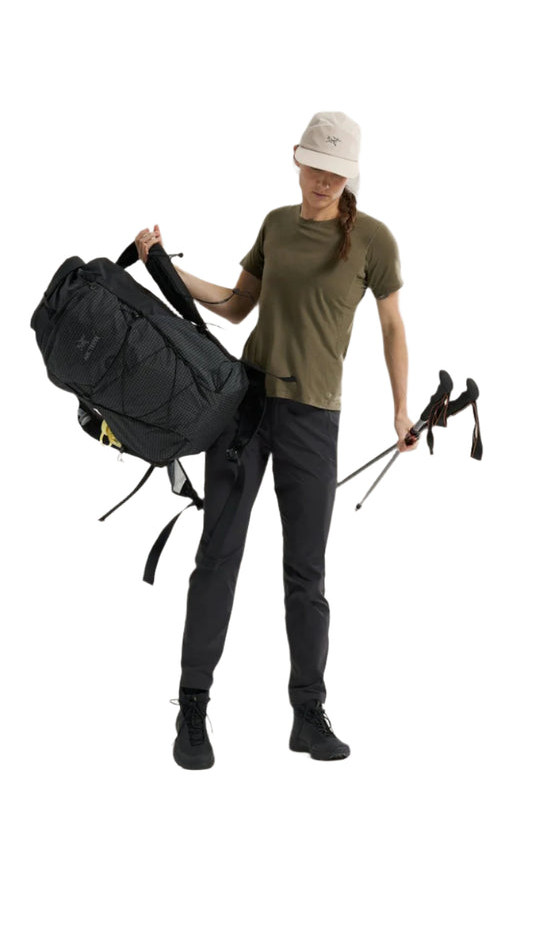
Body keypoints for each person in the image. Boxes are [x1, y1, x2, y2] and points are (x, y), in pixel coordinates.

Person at [135, 111, 418, 770]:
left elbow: (393, 327)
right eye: (315, 167)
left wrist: (401, 410)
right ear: (298, 160)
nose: (324, 181)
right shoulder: (276, 225)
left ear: (351, 175)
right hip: (246, 408)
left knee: (306, 573)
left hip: (314, 420)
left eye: (336, 173)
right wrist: (161, 268)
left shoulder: (373, 240)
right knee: (217, 556)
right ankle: (192, 708)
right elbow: (236, 306)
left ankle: (308, 713)